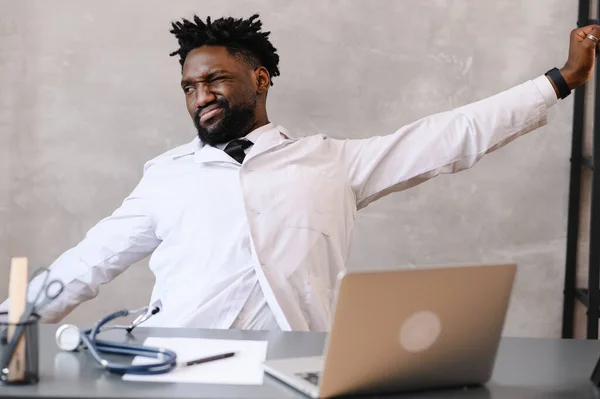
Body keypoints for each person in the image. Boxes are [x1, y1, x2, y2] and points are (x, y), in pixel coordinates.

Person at [2, 14, 599, 332]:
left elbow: (450, 135)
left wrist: (560, 80)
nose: (199, 96)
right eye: (189, 86)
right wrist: (9, 327)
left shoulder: (331, 162)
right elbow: (88, 262)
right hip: (175, 368)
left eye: (214, 80)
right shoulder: (165, 177)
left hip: (297, 371)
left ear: (260, 78)